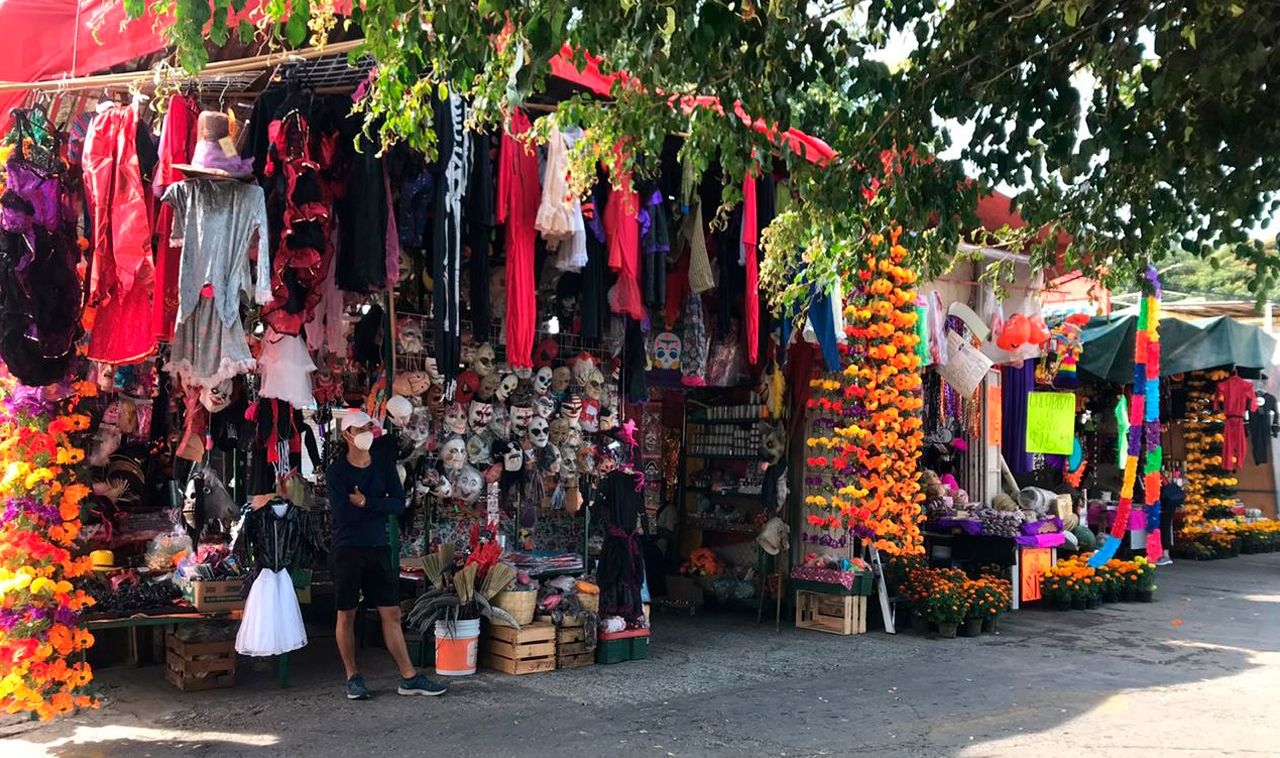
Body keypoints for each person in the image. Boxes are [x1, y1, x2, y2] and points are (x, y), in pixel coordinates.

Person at [328, 410, 446, 700]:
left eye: (370, 427)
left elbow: (397, 504)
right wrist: (377, 504)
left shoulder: (382, 465)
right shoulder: (337, 471)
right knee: (346, 614)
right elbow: (342, 513)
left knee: (391, 613)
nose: (367, 433)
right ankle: (352, 676)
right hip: (347, 549)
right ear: (347, 435)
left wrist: (365, 502)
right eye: (360, 429)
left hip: (378, 547)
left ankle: (409, 677)